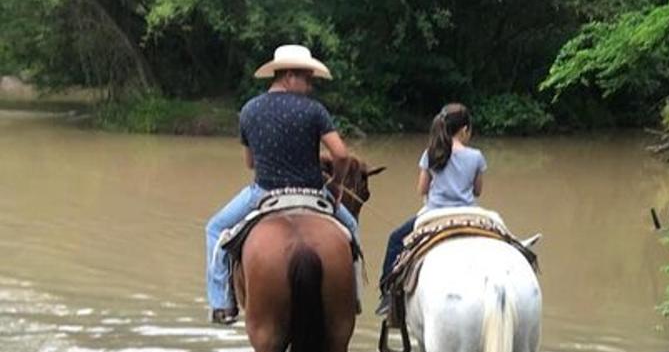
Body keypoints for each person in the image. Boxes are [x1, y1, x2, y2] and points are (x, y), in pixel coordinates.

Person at [204, 44, 360, 325]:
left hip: (264, 192)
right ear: (289, 76)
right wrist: (336, 184)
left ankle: (221, 304)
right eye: (307, 79)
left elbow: (250, 163)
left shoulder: (249, 110)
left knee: (215, 229)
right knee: (351, 228)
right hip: (313, 192)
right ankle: (354, 299)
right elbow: (341, 154)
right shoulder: (315, 111)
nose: (310, 87)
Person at [378, 103, 486, 290]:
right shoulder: (476, 156)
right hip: (469, 214)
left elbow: (422, 189)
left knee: (395, 239)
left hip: (434, 214)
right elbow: (477, 191)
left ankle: (387, 292)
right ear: (465, 129)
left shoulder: (431, 153)